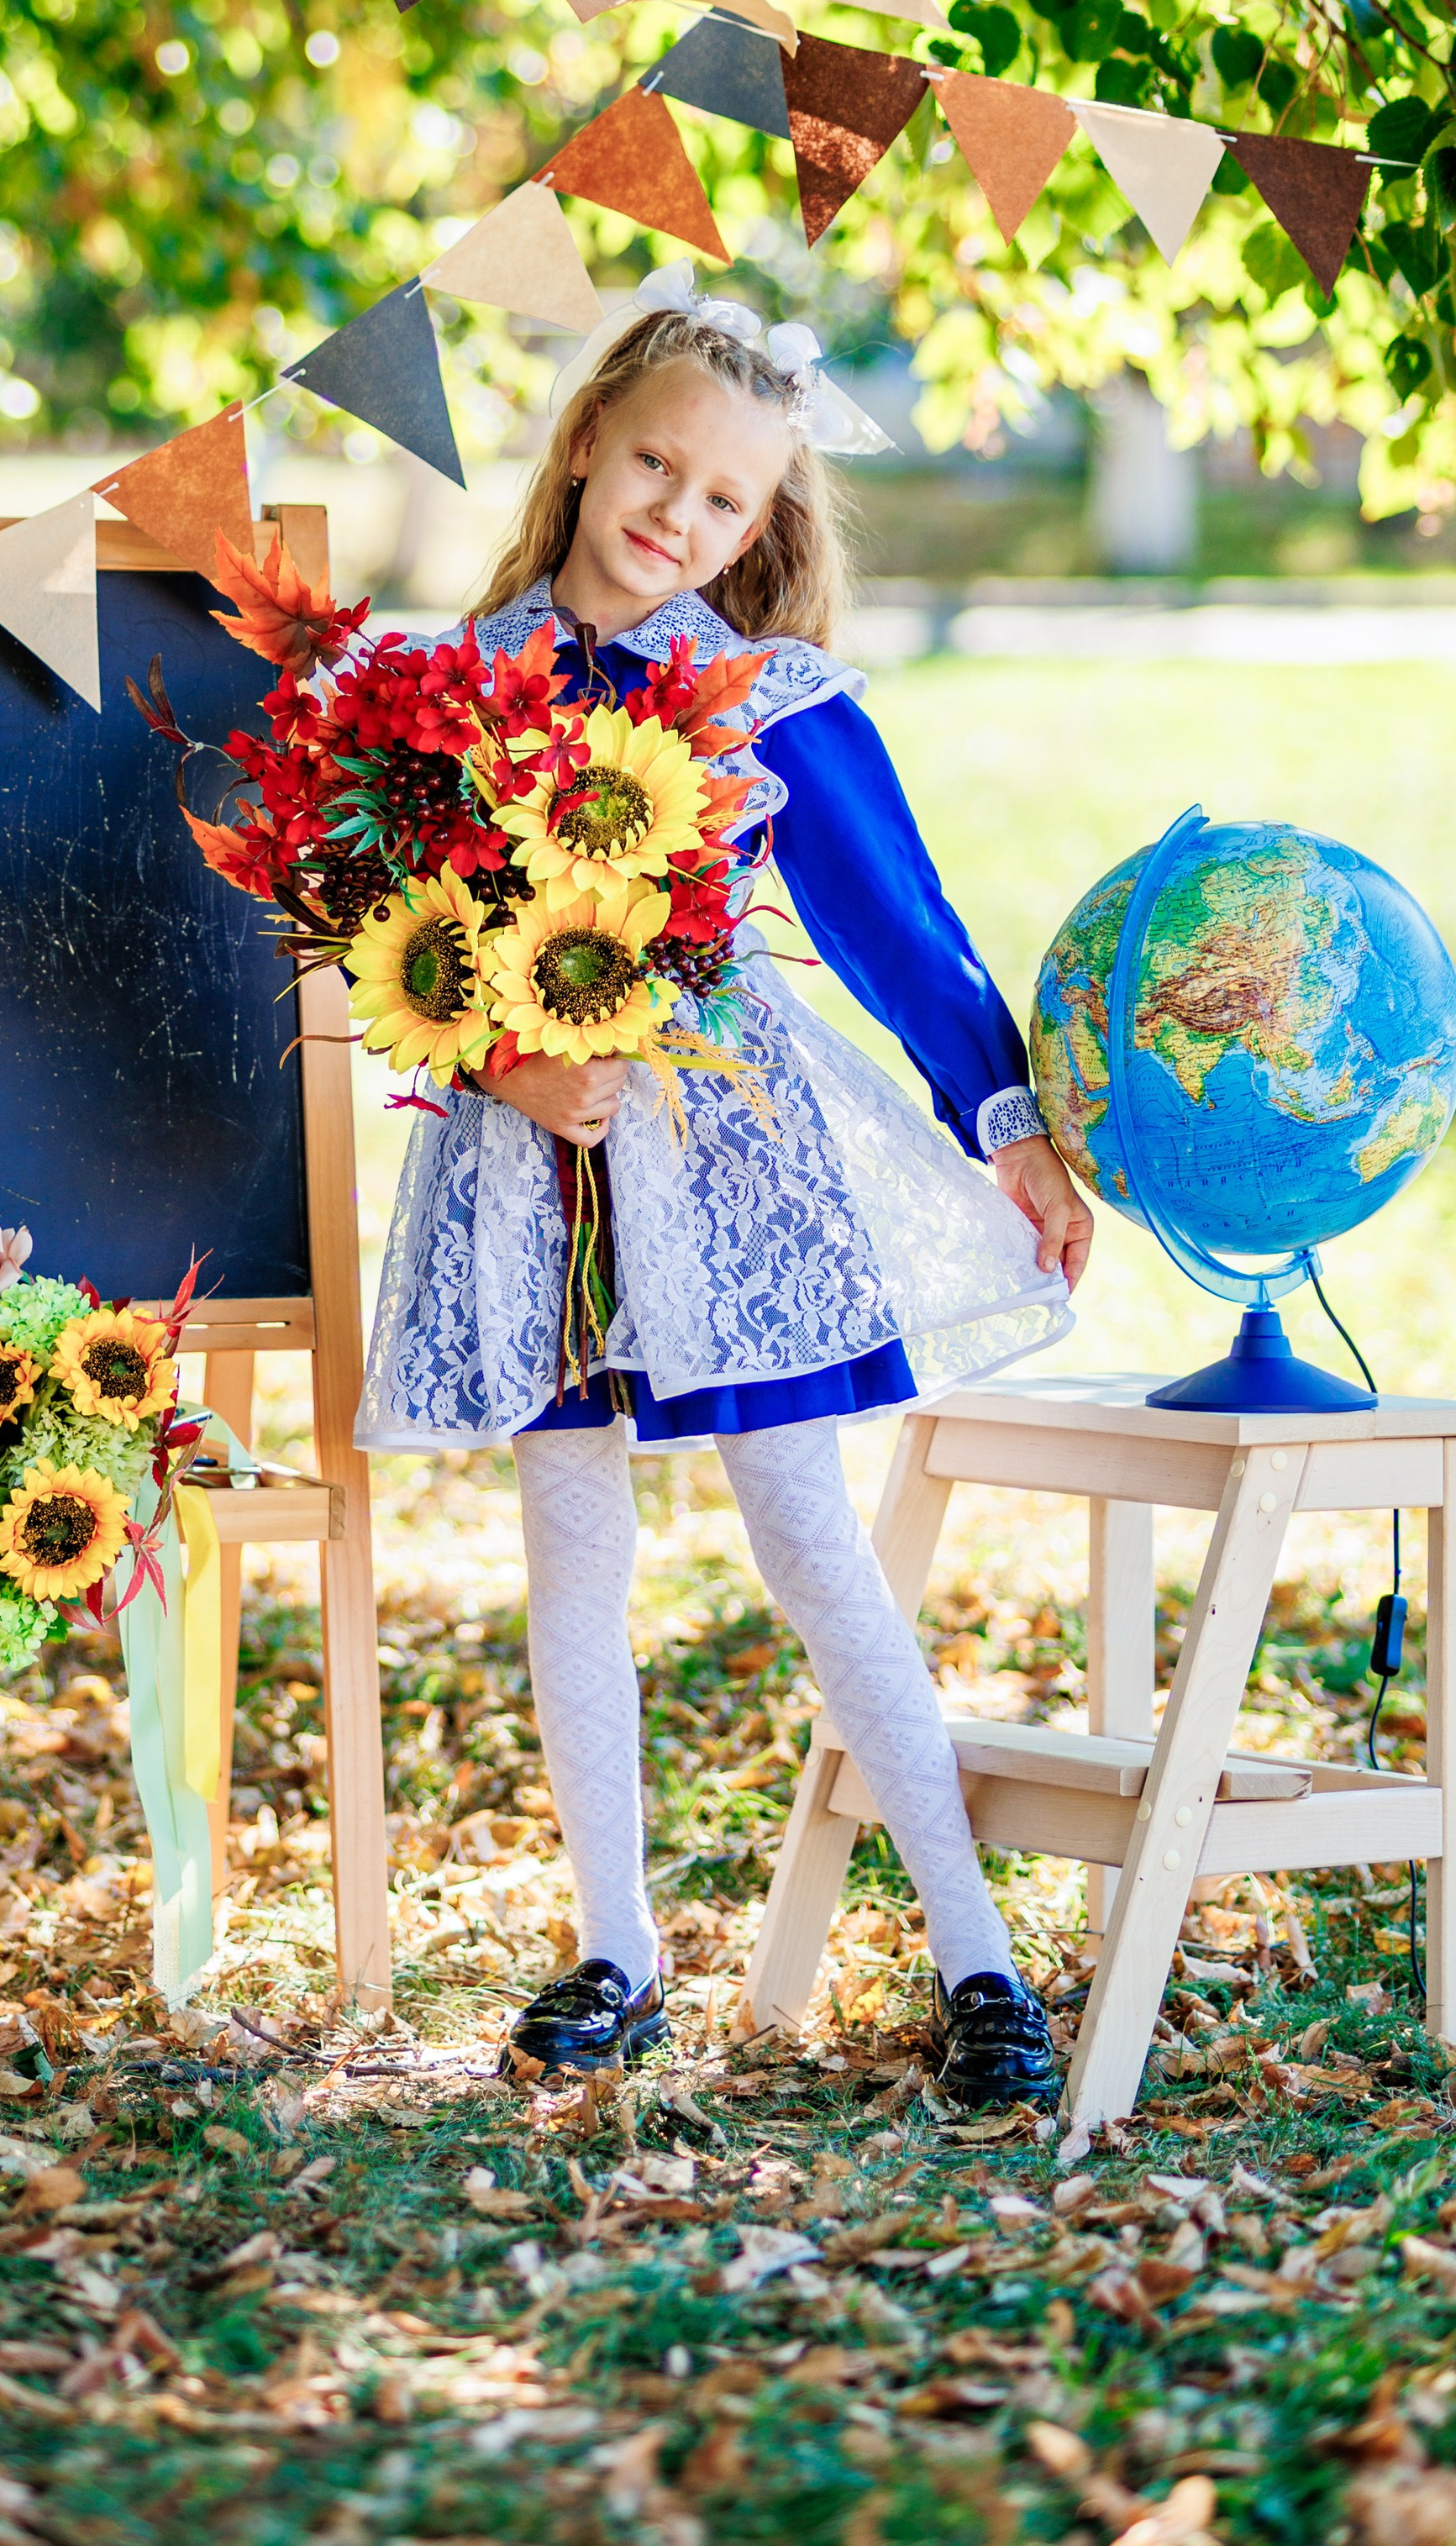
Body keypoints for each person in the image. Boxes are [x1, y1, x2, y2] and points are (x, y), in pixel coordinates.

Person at [355, 266, 1095, 2107]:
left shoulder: (762, 695)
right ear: (585, 442)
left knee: (807, 1540)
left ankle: (976, 1957)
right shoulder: (446, 690)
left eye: (723, 499)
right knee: (570, 1547)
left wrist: (1006, 1125)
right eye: (654, 467)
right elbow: (383, 928)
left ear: (760, 526)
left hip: (727, 1161)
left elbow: (900, 928)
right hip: (531, 1168)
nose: (676, 516)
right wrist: (503, 1063)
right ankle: (614, 1949)